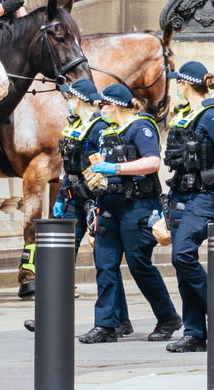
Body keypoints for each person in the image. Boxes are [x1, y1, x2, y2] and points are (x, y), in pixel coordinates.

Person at [78, 83, 181, 344]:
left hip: (137, 207)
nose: (101, 109)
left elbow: (152, 162)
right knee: (105, 265)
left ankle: (168, 318)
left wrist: (114, 168)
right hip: (109, 206)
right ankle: (106, 325)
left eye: (103, 104)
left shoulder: (141, 127)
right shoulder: (107, 132)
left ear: (114, 105)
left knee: (139, 265)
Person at [43, 79, 132, 336]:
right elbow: (67, 168)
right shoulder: (75, 127)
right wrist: (60, 198)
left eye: (70, 97)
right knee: (59, 257)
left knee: (105, 264)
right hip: (72, 199)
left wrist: (99, 203)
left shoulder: (99, 128)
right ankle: (50, 317)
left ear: (79, 99)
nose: (68, 102)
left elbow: (100, 170)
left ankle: (118, 319)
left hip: (92, 202)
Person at [162, 61, 214, 353]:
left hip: (205, 197)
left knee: (182, 255)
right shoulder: (184, 115)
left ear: (184, 84)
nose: (175, 87)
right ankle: (195, 333)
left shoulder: (211, 116)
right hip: (181, 195)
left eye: (177, 82)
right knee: (182, 264)